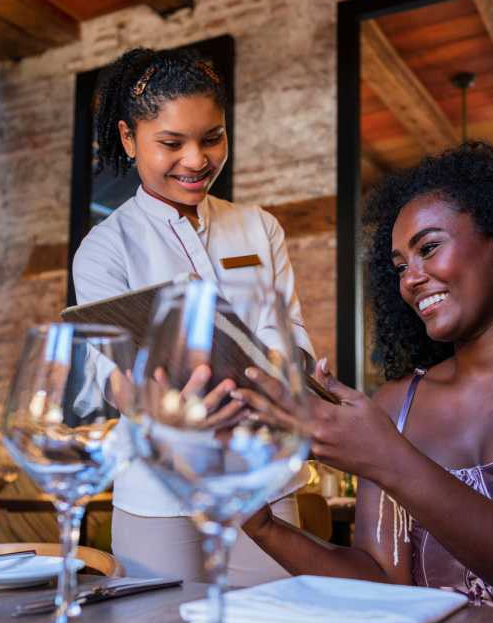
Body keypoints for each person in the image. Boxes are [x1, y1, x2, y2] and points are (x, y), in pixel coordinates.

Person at [238, 142, 493, 608]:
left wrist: (386, 458)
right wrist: (263, 527)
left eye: (429, 248)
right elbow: (381, 584)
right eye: (400, 266)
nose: (410, 278)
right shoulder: (397, 405)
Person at [72, 47, 314, 585]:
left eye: (212, 137)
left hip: (263, 479)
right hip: (158, 488)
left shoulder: (259, 228)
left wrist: (287, 371)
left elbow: (290, 333)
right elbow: (109, 373)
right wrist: (152, 399)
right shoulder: (103, 249)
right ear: (129, 138)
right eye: (171, 142)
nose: (197, 159)